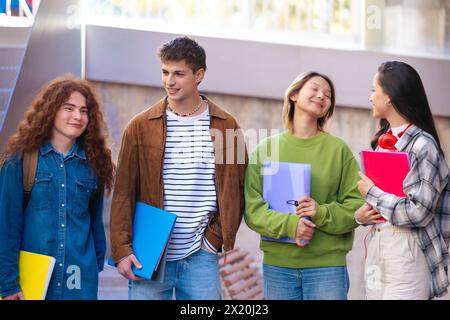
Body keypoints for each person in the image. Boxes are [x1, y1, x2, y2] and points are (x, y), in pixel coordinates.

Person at [110, 36, 247, 300]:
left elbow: (236, 190)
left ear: (199, 75)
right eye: (165, 72)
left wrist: (212, 242)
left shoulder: (226, 126)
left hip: (200, 257)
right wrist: (122, 248)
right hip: (148, 255)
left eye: (178, 74)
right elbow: (123, 192)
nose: (169, 81)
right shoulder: (140, 127)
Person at [244, 71, 364, 300]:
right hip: (278, 268)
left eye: (328, 95)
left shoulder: (338, 150)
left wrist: (320, 212)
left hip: (327, 267)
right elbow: (252, 209)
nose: (322, 96)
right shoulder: (267, 148)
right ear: (294, 95)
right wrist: (291, 225)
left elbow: (356, 207)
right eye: (315, 89)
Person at [0, 76, 115, 300]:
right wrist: (8, 283)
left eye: (84, 110)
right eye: (69, 108)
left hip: (80, 282)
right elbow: (6, 227)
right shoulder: (19, 161)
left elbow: (93, 222)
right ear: (50, 110)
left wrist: (94, 264)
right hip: (31, 283)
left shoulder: (94, 165)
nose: (77, 116)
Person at [355, 61, 450, 300]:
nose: (370, 97)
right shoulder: (382, 143)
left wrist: (372, 193)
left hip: (409, 249)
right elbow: (387, 200)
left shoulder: (423, 145)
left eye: (373, 89)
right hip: (379, 243)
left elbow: (419, 212)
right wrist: (363, 214)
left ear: (389, 96)